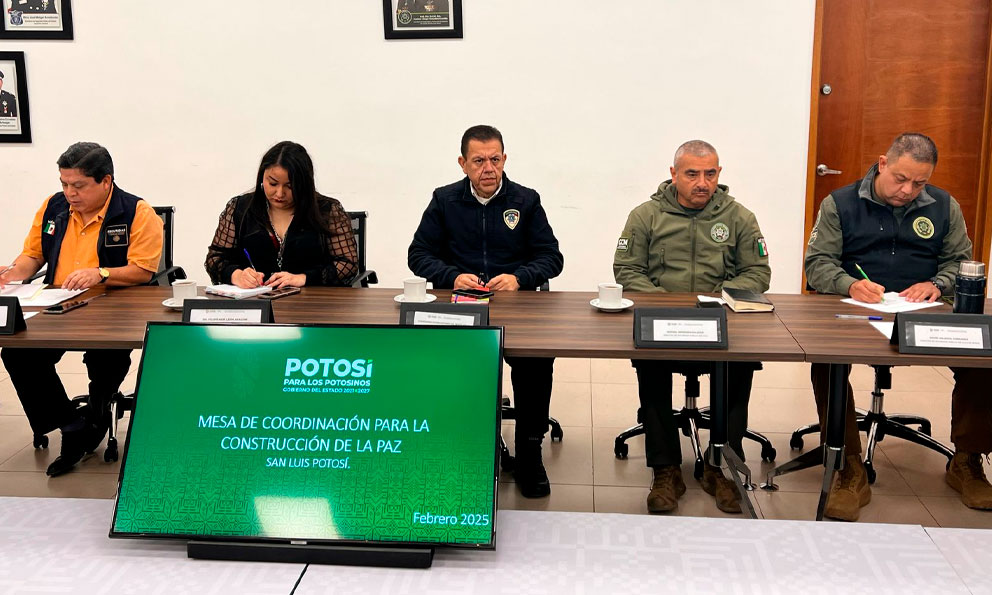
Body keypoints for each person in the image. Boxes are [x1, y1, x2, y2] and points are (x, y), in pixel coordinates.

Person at [805, 132, 992, 521]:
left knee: (982, 356)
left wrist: (937, 284)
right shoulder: (840, 203)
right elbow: (817, 263)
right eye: (901, 179)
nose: (908, 191)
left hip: (922, 311)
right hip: (858, 309)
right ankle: (847, 465)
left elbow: (960, 262)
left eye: (919, 183)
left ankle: (967, 460)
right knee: (825, 361)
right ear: (883, 163)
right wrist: (849, 284)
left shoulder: (944, 206)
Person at [613, 140, 771, 514]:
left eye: (710, 174)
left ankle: (722, 467)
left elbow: (757, 273)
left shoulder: (739, 217)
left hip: (719, 321)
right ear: (674, 174)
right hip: (664, 323)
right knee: (650, 365)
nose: (702, 182)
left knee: (740, 364)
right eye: (692, 174)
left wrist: (717, 300)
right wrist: (665, 304)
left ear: (719, 174)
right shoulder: (646, 216)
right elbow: (627, 270)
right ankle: (666, 470)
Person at [408, 124, 564, 498]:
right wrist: (451, 276)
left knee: (535, 362)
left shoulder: (525, 201)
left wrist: (519, 277)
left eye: (495, 159)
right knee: (449, 364)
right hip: (462, 307)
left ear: (505, 159)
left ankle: (530, 452)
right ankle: (461, 445)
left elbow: (551, 257)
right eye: (478, 161)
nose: (488, 168)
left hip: (516, 306)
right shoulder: (444, 200)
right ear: (463, 163)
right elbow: (418, 254)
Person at [0, 142, 163, 476]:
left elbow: (143, 271)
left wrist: (101, 273)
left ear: (106, 181)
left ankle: (98, 414)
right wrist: (11, 274)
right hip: (57, 304)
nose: (69, 193)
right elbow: (33, 255)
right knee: (17, 351)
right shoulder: (53, 207)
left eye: (78, 185)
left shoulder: (136, 212)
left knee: (105, 358)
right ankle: (72, 425)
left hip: (113, 306)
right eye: (64, 183)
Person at [205, 141, 358, 288]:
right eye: (272, 183)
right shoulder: (240, 209)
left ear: (304, 184)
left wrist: (304, 278)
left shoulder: (327, 211)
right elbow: (215, 258)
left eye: (290, 186)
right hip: (256, 299)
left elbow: (348, 264)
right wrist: (236, 275)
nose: (279, 193)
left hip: (311, 300)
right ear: (262, 177)